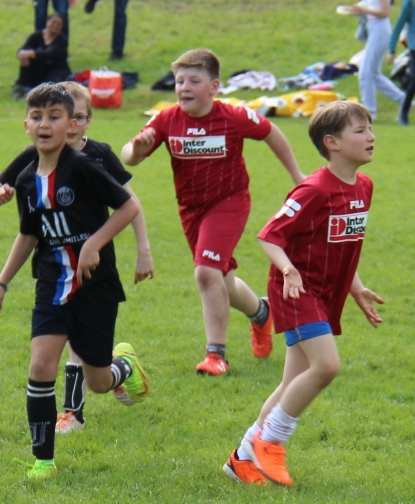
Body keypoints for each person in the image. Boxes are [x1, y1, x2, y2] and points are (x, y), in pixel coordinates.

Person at [0, 82, 150, 479]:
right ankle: (44, 460)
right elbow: (28, 235)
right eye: (37, 117)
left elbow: (128, 206)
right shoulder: (26, 180)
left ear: (71, 124)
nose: (45, 124)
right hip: (51, 285)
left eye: (54, 117)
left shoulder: (84, 167)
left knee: (99, 381)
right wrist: (0, 284)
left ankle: (123, 367)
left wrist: (93, 243)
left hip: (95, 286)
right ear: (26, 125)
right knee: (41, 364)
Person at [225, 100, 383, 487]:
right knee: (326, 366)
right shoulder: (313, 189)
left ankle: (241, 458)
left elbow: (344, 242)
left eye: (369, 128)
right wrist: (288, 269)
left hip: (325, 293)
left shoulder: (364, 186)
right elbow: (269, 237)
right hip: (296, 291)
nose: (371, 136)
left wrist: (356, 287)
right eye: (360, 130)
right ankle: (271, 443)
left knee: (291, 381)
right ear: (332, 142)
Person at [122, 47, 303, 375]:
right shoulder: (166, 119)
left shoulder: (233, 116)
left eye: (194, 80)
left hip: (230, 203)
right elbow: (128, 157)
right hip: (191, 210)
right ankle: (262, 313)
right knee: (221, 280)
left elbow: (271, 133)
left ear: (214, 86)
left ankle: (215, 355)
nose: (184, 87)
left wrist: (297, 176)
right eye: (180, 81)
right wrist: (137, 149)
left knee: (206, 273)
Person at [343, 0, 405, 123]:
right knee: (374, 73)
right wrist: (358, 10)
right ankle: (404, 100)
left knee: (365, 72)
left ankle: (370, 111)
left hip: (380, 30)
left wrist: (365, 10)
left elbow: (384, 12)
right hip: (373, 29)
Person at [14, 12, 71, 96]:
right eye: (53, 22)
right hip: (39, 68)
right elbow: (22, 50)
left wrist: (32, 53)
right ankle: (23, 85)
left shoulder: (62, 40)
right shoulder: (36, 36)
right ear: (47, 22)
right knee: (25, 59)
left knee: (49, 87)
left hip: (56, 69)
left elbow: (50, 54)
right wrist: (22, 55)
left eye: (58, 24)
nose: (55, 25)